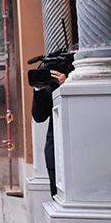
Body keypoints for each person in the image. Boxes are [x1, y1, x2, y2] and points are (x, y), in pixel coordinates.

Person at [31, 69, 68, 197]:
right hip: (55, 150)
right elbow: (39, 116)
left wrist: (67, 85)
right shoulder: (51, 84)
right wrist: (39, 89)